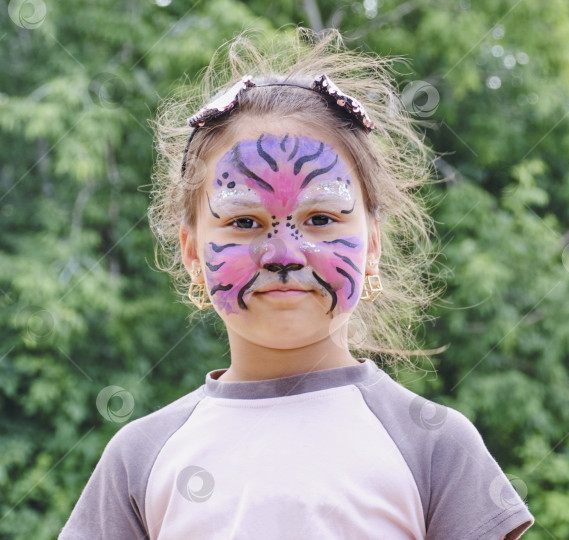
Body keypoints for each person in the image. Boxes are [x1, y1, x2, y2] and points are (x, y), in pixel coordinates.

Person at [59, 28, 534, 539]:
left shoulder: (436, 446)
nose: (284, 255)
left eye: (322, 220)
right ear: (192, 251)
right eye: (244, 223)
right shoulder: (140, 456)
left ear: (371, 246)